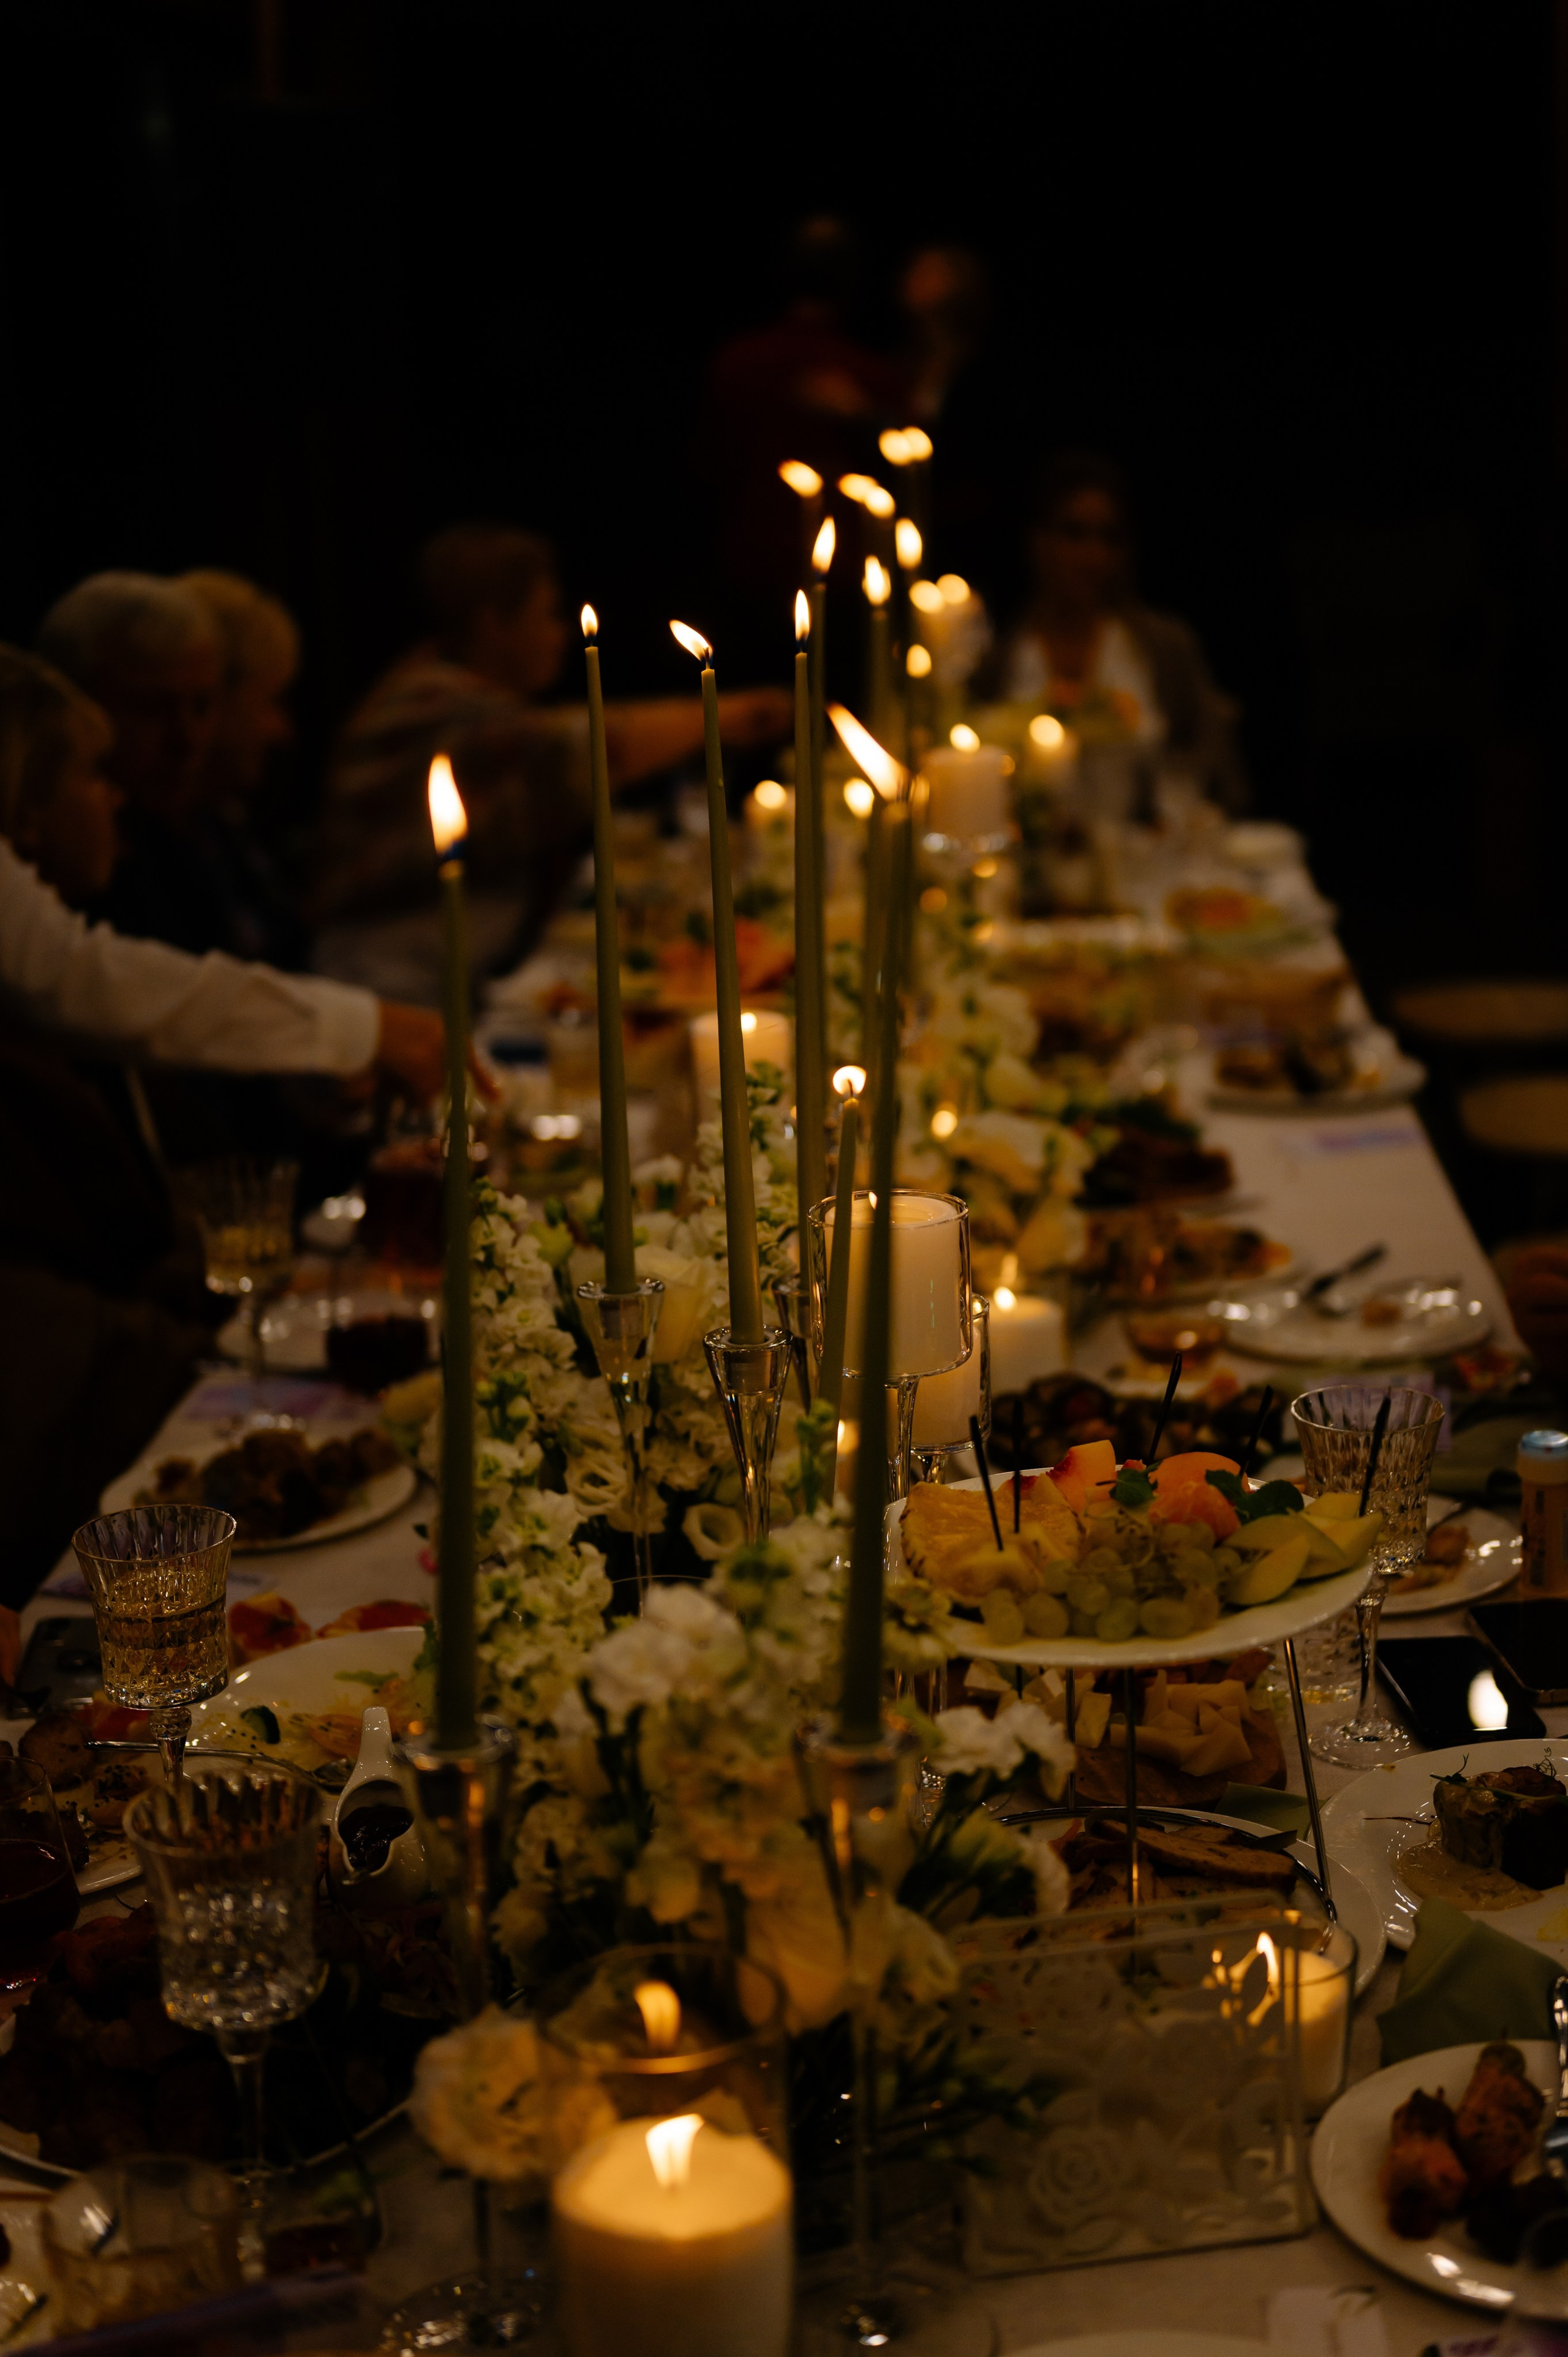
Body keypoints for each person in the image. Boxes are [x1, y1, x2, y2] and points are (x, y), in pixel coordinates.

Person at [312, 522, 791, 1002]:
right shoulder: (428, 707)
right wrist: (734, 713)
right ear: (493, 623)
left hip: (441, 973)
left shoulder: (450, 691)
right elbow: (573, 753)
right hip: (386, 991)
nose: (559, 636)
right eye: (547, 616)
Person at [0, 646, 451, 1100]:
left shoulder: (218, 835)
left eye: (201, 705)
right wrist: (358, 1031)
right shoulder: (143, 877)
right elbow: (74, 977)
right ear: (24, 810)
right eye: (95, 771)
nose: (117, 795)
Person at [986, 451, 1247, 810]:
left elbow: (1217, 770)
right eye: (1074, 534)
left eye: (1109, 538)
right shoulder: (1003, 657)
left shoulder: (1162, 646)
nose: (1094, 557)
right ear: (1039, 541)